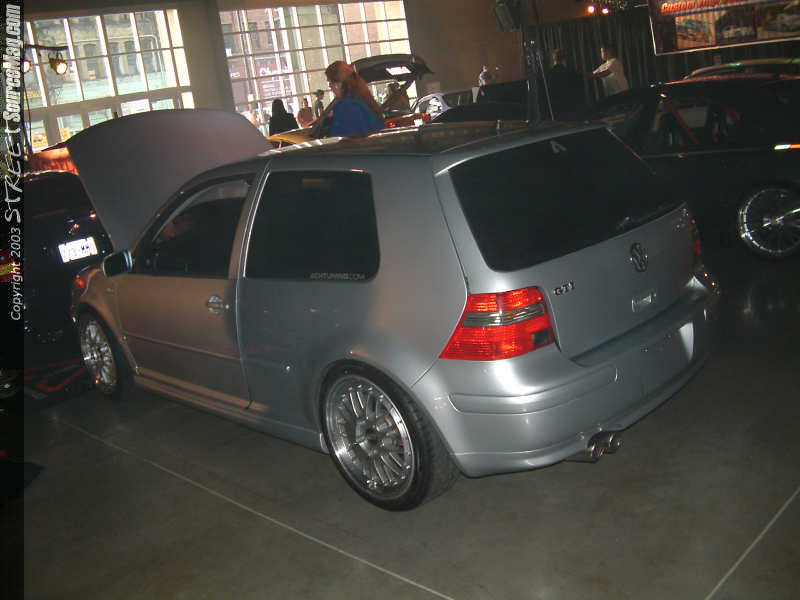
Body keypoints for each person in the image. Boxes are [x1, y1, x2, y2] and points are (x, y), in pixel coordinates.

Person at [320, 60, 384, 137]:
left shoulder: (345, 106)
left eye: (330, 82)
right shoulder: (364, 98)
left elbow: (343, 138)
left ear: (339, 83)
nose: (330, 86)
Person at [544, 49, 586, 120]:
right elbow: (579, 91)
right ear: (564, 59)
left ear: (554, 59)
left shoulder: (549, 74)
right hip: (571, 108)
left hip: (556, 108)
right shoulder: (572, 72)